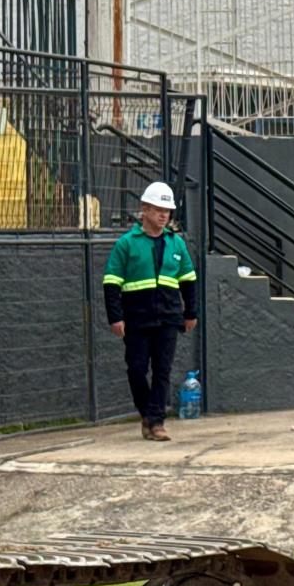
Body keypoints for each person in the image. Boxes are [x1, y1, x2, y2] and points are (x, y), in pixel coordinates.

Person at [101, 180, 199, 441]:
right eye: (158, 210)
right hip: (137, 318)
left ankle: (156, 422)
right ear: (144, 209)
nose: (164, 215)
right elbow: (111, 282)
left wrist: (191, 312)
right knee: (136, 369)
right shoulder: (126, 243)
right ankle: (147, 412)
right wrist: (115, 317)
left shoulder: (176, 243)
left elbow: (188, 280)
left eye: (167, 211)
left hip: (168, 317)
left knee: (162, 371)